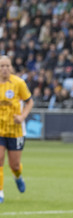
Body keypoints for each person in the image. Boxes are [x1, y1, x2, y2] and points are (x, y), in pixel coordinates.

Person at [0, 55, 34, 204]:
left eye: (7, 66)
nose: (5, 69)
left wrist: (22, 117)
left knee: (14, 164)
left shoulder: (19, 83)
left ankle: (18, 176)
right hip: (0, 130)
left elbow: (29, 102)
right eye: (2, 66)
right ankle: (0, 192)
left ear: (11, 67)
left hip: (15, 131)